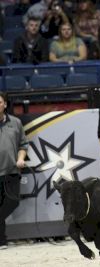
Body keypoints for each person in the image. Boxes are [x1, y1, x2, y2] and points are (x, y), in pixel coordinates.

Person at [0, 92, 28, 249]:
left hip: (11, 171)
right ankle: (1, 241)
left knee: (13, 202)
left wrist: (21, 158)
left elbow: (23, 145)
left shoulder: (16, 123)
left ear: (4, 104)